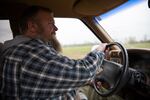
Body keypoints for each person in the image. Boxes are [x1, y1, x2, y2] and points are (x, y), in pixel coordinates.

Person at [0, 5, 107, 99]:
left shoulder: (16, 50)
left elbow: (54, 78)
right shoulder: (31, 52)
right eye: (51, 23)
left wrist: (84, 82)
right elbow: (84, 72)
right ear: (32, 27)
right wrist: (98, 51)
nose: (56, 28)